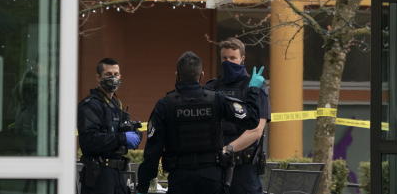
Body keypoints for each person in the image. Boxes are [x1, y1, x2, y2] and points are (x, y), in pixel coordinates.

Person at [136, 50, 265, 194]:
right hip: (212, 179)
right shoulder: (216, 100)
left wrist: (142, 186)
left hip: (180, 179)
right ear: (201, 75)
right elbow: (252, 120)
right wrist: (253, 90)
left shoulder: (165, 105)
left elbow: (152, 153)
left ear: (177, 75)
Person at [204, 38, 269, 194]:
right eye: (224, 58)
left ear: (242, 59)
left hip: (244, 168)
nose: (228, 62)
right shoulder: (211, 87)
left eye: (233, 58)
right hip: (215, 167)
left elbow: (256, 130)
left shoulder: (254, 86)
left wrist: (227, 149)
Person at [78, 57, 143, 194]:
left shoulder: (115, 104)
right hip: (99, 176)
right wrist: (121, 138)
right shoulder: (90, 105)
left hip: (119, 175)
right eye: (108, 74)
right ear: (98, 77)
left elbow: (120, 131)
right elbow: (90, 140)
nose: (113, 78)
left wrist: (134, 133)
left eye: (116, 74)